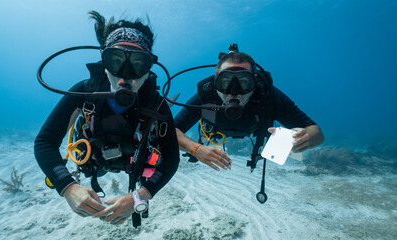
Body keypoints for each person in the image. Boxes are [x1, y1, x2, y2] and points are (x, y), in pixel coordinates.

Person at [34, 11, 179, 225]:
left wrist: (140, 196)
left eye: (137, 63)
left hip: (133, 163)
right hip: (92, 161)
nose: (125, 76)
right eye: (116, 61)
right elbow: (45, 142)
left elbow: (171, 158)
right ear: (104, 62)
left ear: (148, 69)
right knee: (95, 171)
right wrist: (68, 187)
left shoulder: (155, 103)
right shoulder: (84, 92)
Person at [174, 49, 324, 171]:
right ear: (215, 80)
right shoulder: (206, 95)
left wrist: (307, 140)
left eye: (244, 82)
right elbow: (171, 130)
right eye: (225, 82)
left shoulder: (267, 95)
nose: (234, 92)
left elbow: (315, 131)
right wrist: (196, 149)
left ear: (255, 81)